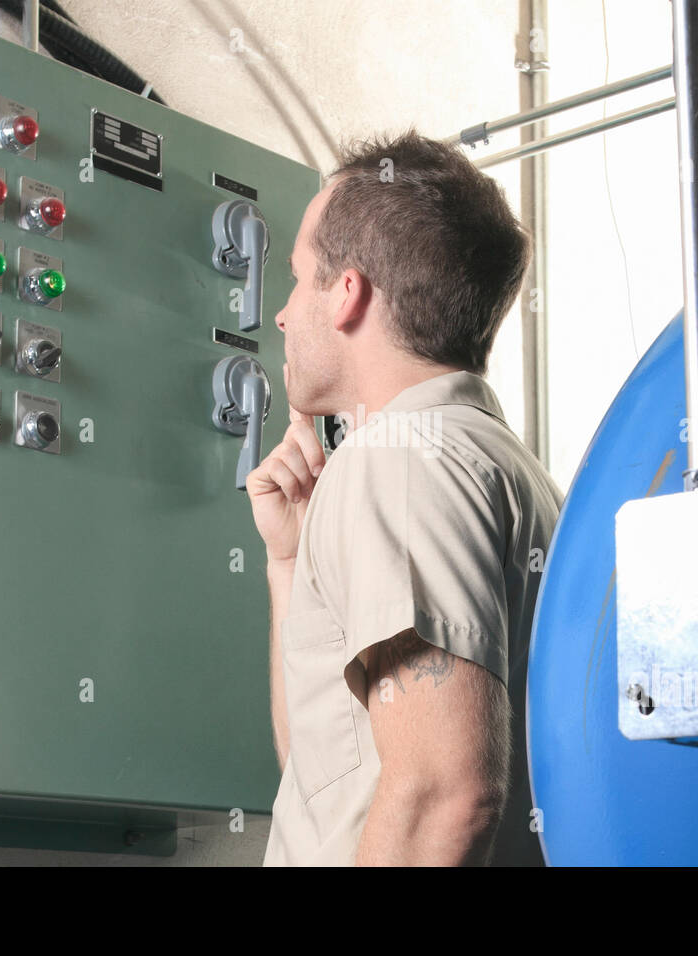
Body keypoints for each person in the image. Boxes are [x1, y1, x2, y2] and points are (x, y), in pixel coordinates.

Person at [246, 129, 562, 866]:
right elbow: (326, 782)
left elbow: (443, 792)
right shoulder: (505, 470)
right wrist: (289, 562)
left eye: (298, 279)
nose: (282, 316)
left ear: (349, 292)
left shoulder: (400, 462)